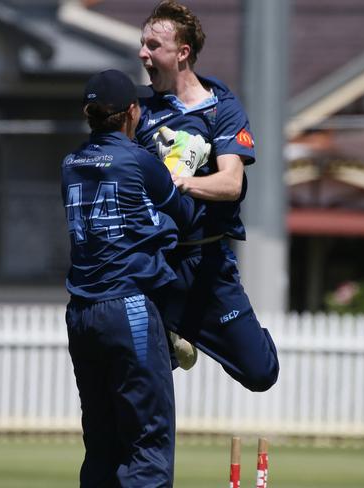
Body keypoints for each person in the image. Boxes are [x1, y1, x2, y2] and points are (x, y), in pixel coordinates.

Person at [61, 69, 203, 487]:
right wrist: (183, 165)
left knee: (102, 445)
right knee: (147, 443)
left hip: (81, 314)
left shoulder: (69, 163)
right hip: (129, 310)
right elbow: (186, 216)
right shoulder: (139, 160)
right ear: (132, 112)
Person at [134, 0, 279, 392]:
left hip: (206, 263)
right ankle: (172, 333)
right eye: (142, 43)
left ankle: (189, 331)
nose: (143, 53)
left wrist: (180, 183)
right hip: (154, 260)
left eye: (153, 46)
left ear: (183, 53)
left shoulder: (221, 108)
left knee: (261, 373)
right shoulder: (140, 110)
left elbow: (231, 184)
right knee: (140, 378)